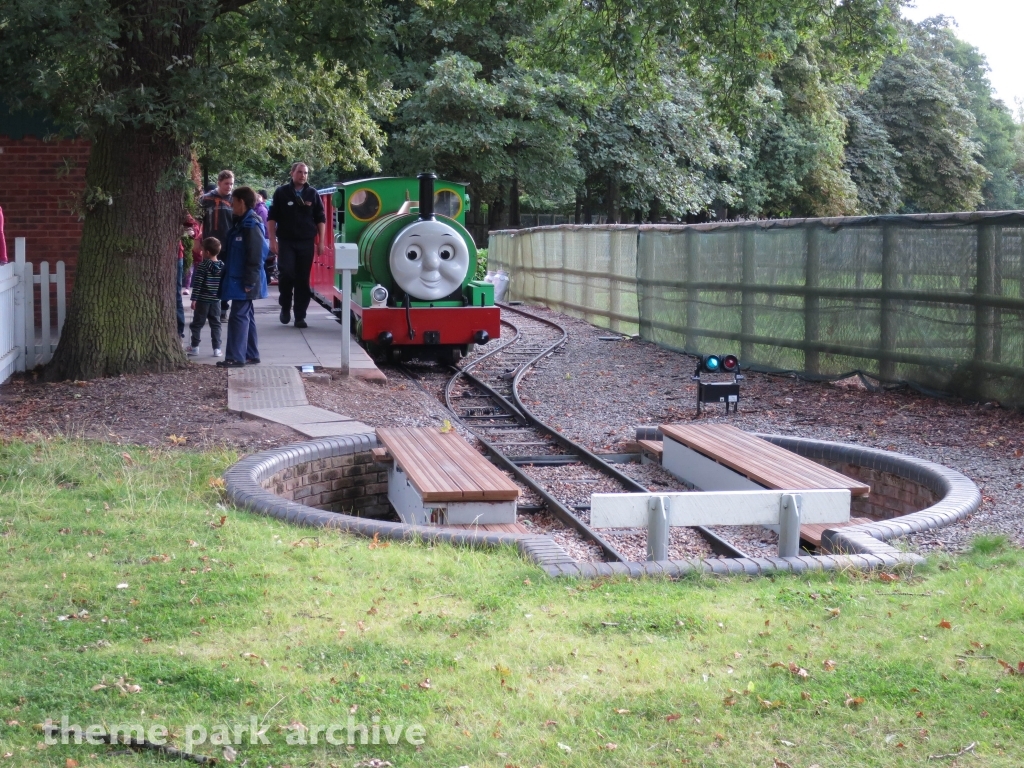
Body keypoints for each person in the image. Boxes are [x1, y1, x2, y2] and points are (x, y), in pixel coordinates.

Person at [267, 162, 325, 329]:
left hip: (306, 242)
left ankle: (300, 316)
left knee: (302, 279)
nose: (303, 175)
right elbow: (272, 217)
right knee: (286, 274)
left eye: (305, 173)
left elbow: (321, 218)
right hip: (286, 241)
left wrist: (321, 242)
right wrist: (272, 240)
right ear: (292, 173)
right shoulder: (281, 192)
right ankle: (285, 305)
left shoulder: (312, 193)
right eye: (299, 172)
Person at [216, 186, 268, 368]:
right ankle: (250, 354)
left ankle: (235, 357)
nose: (231, 205)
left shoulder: (251, 224)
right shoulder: (242, 223)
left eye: (234, 202)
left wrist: (250, 281)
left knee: (238, 315)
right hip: (241, 278)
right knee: (246, 315)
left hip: (244, 279)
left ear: (242, 202)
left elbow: (256, 254)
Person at [200, 170, 235, 322]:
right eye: (226, 183)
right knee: (209, 277)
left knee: (225, 277)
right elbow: (198, 220)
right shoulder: (206, 199)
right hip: (210, 245)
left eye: (231, 184)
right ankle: (210, 309)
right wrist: (197, 241)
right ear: (219, 182)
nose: (229, 187)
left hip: (228, 245)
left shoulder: (234, 200)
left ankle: (223, 309)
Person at [187, 237, 225, 357]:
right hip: (216, 300)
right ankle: (217, 348)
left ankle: (195, 347)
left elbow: (198, 284)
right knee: (216, 324)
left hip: (203, 300)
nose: (201, 252)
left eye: (202, 250)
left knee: (197, 324)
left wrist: (194, 299)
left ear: (207, 252)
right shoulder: (222, 266)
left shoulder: (203, 266)